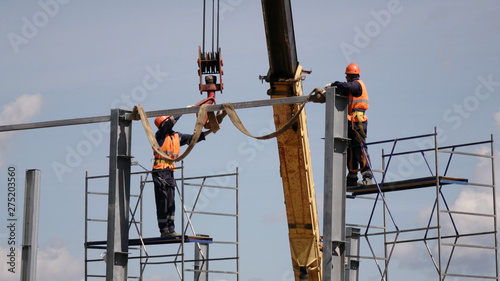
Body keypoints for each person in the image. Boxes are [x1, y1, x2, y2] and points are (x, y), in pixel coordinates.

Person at [152, 114, 211, 237]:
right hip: (159, 171)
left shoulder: (176, 136)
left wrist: (210, 131)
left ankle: (171, 230)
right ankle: (164, 230)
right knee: (163, 202)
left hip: (169, 171)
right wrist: (182, 112)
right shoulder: (159, 136)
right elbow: (169, 124)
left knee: (170, 202)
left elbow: (193, 138)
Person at [324, 63, 373, 187]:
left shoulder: (357, 84)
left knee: (359, 149)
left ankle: (367, 176)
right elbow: (346, 89)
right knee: (350, 150)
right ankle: (352, 178)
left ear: (349, 76)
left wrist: (334, 84)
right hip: (352, 121)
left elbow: (348, 87)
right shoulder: (353, 86)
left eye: (347, 76)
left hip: (358, 122)